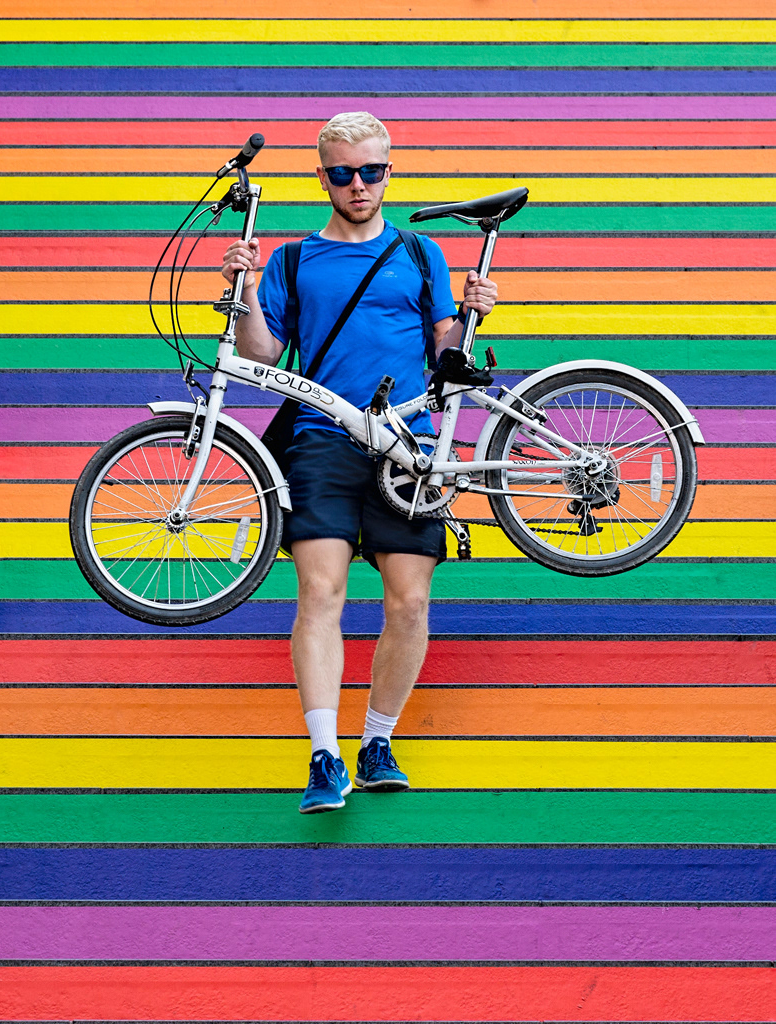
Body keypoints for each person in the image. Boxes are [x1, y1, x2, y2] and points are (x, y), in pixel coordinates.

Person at [222, 112, 497, 813]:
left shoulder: (417, 251)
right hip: (319, 437)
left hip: (407, 445)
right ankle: (323, 755)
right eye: (342, 173)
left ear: (388, 170)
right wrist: (246, 290)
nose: (358, 185)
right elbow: (258, 354)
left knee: (408, 600)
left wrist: (471, 318)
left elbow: (445, 352)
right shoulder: (290, 259)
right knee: (320, 594)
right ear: (322, 177)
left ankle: (377, 741)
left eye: (371, 171)